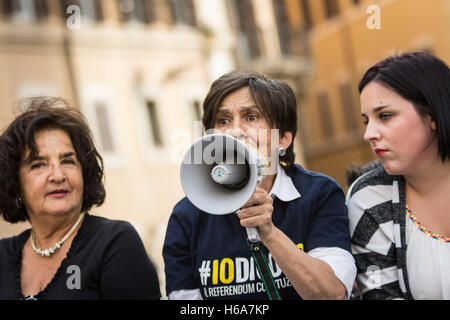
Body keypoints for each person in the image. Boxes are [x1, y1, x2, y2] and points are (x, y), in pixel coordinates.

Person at [163, 71, 356, 300]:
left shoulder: (319, 195)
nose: (236, 131)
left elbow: (330, 294)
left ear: (284, 138)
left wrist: (269, 232)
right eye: (223, 121)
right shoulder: (188, 216)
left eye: (251, 117)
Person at [0, 97, 161, 300]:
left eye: (68, 161)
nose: (58, 175)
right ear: (15, 181)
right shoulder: (3, 256)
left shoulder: (114, 243)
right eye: (39, 164)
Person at [346, 51, 450, 299]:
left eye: (385, 116)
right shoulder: (368, 199)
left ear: (432, 115)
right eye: (366, 121)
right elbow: (379, 294)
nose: (369, 134)